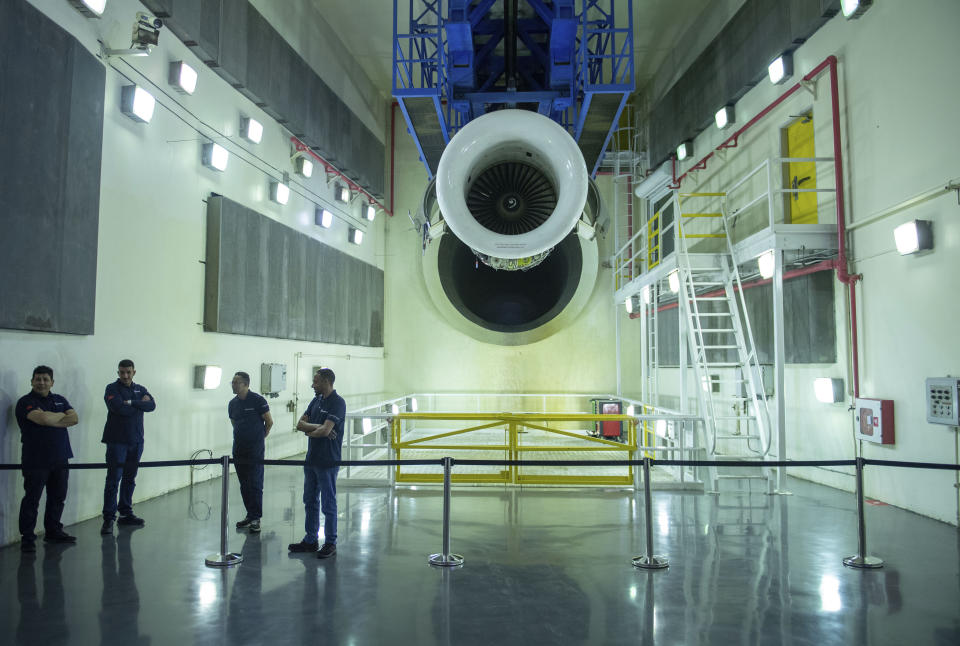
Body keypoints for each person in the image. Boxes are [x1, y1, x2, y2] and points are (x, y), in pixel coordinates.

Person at [15, 366, 80, 552]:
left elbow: (74, 418)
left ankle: (53, 531)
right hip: (36, 459)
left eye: (45, 379)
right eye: (38, 379)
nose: (41, 382)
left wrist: (52, 417)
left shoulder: (60, 399)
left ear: (52, 382)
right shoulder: (25, 402)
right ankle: (27, 537)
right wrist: (60, 417)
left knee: (58, 497)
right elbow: (42, 419)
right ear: (32, 381)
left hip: (61, 457)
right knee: (32, 499)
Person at [289, 368, 345, 558]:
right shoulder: (316, 401)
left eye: (316, 382)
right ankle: (311, 540)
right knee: (310, 500)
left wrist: (316, 430)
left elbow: (325, 430)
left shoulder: (337, 403)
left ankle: (330, 542)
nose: (313, 385)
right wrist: (318, 428)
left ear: (327, 382)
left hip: (328, 461)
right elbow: (299, 424)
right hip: (311, 459)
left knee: (328, 503)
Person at [100, 359, 156, 535]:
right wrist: (139, 404)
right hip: (117, 441)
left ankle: (125, 512)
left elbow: (152, 405)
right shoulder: (111, 389)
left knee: (130, 479)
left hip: (136, 441)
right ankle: (109, 518)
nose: (125, 375)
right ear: (118, 373)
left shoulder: (140, 389)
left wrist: (130, 402)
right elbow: (118, 408)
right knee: (113, 479)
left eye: (128, 372)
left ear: (134, 372)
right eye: (122, 372)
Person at [229, 372, 273, 533]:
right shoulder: (232, 404)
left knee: (255, 483)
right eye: (232, 382)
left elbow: (269, 422)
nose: (233, 385)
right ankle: (250, 514)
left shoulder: (258, 400)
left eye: (236, 382)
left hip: (255, 449)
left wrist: (259, 438)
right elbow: (234, 423)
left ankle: (256, 517)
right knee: (244, 484)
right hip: (239, 448)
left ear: (246, 384)